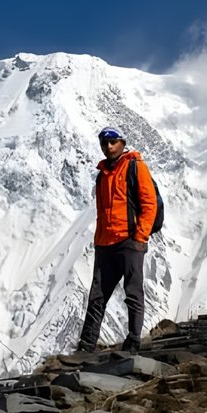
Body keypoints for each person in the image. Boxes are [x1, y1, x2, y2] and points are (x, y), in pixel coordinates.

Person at [75, 126, 158, 354]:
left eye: (113, 142)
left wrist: (140, 236)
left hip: (129, 241)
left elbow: (149, 204)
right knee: (97, 296)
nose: (108, 146)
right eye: (104, 142)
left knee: (133, 292)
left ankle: (133, 341)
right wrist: (99, 239)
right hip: (105, 244)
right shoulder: (102, 174)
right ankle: (86, 346)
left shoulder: (135, 167)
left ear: (122, 142)